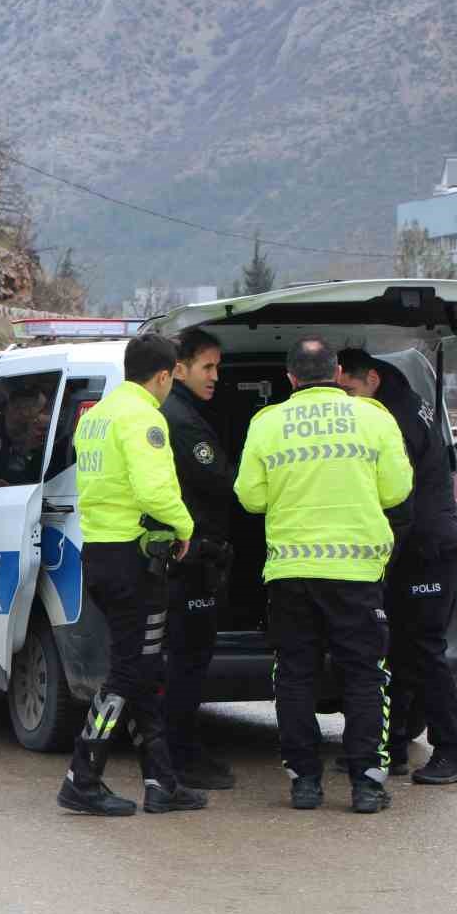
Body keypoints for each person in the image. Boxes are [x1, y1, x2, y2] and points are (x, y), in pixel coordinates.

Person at [234, 336, 413, 814]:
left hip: (291, 573)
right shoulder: (374, 417)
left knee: (294, 675)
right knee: (364, 676)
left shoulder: (266, 423)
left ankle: (304, 782)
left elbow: (250, 497)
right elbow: (397, 491)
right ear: (337, 374)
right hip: (356, 572)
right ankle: (367, 784)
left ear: (290, 379)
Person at [56, 334, 207, 817]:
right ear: (164, 376)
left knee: (142, 669)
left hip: (99, 552)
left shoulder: (97, 415)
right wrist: (185, 527)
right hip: (134, 561)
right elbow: (154, 489)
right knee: (128, 671)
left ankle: (161, 781)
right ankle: (83, 776)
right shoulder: (144, 417)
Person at [338, 348, 457, 785]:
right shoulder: (402, 400)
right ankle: (392, 745)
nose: (347, 400)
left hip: (426, 550)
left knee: (423, 651)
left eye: (350, 389)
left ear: (371, 379)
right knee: (395, 649)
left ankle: (453, 751)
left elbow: (393, 493)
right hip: (415, 548)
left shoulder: (395, 419)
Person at [160, 329, 237, 790]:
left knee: (186, 660)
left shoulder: (183, 412)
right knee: (186, 662)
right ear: (180, 368)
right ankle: (180, 754)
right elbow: (219, 480)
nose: (215, 376)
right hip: (190, 561)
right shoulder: (181, 419)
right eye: (207, 367)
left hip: (192, 558)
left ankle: (180, 749)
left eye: (217, 367)